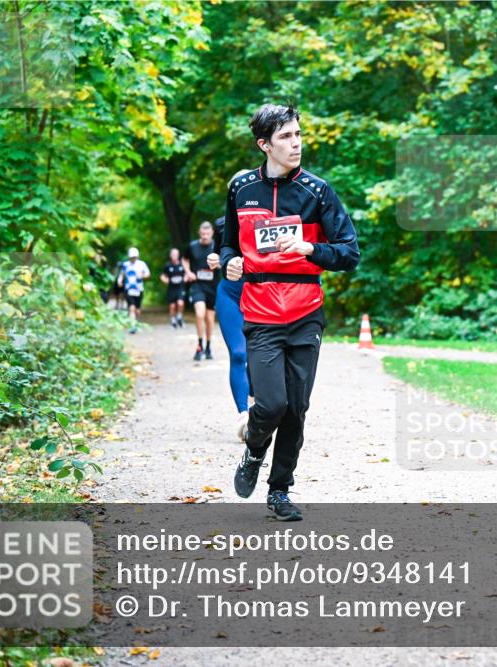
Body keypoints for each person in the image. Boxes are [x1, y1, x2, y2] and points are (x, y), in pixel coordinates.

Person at [221, 103, 359, 521]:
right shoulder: (241, 188)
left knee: (296, 408)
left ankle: (279, 490)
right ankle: (253, 449)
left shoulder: (318, 192)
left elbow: (349, 253)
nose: (296, 143)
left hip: (305, 312)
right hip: (260, 311)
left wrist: (309, 248)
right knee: (271, 404)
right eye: (285, 137)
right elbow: (228, 244)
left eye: (298, 134)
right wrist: (229, 261)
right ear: (264, 144)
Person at [206, 208, 252, 441]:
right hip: (230, 294)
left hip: (260, 294)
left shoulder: (269, 217)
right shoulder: (222, 223)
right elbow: (219, 254)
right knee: (238, 353)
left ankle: (258, 401)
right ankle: (243, 415)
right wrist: (214, 259)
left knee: (259, 355)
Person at [183, 222, 218, 361]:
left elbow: (224, 260)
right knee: (199, 314)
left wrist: (219, 264)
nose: (205, 236)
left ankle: (208, 347)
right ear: (199, 233)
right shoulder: (192, 246)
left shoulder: (216, 246)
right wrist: (188, 272)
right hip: (197, 285)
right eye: (203, 234)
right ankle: (199, 346)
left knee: (209, 319)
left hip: (212, 286)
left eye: (207, 234)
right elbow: (185, 259)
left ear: (212, 233)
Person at [117, 247, 150, 334]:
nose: (133, 259)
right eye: (131, 257)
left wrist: (142, 276)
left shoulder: (142, 264)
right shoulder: (125, 265)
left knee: (137, 309)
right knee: (131, 307)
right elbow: (122, 274)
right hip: (129, 289)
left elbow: (147, 274)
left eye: (134, 257)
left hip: (139, 289)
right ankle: (133, 325)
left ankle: (136, 322)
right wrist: (120, 281)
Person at [160, 247, 186, 329]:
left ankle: (179, 317)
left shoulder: (182, 264)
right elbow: (162, 275)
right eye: (173, 254)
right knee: (172, 306)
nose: (174, 256)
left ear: (178, 255)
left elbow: (187, 273)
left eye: (176, 254)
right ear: (170, 255)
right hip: (171, 288)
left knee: (180, 303)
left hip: (180, 287)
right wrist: (165, 280)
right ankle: (173, 320)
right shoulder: (167, 265)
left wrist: (185, 278)